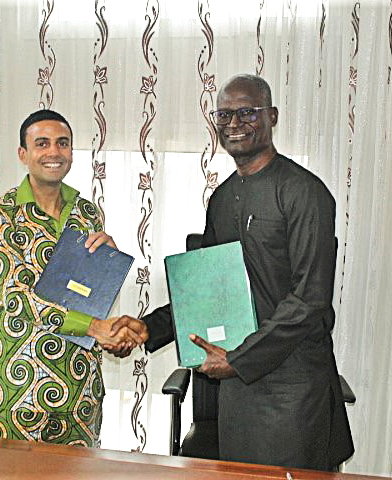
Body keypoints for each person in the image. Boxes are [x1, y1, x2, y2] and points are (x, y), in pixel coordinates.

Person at [113, 74, 354, 470]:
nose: (234, 123)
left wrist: (240, 359)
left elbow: (309, 300)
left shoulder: (304, 193)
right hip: (237, 394)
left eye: (247, 112)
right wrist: (147, 328)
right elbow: (207, 291)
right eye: (224, 115)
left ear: (272, 116)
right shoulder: (223, 199)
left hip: (292, 391)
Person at [0, 109, 147, 446]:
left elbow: (87, 295)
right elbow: (16, 298)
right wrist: (95, 328)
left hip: (80, 389)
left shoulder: (87, 212)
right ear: (23, 154)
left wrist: (107, 263)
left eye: (63, 143)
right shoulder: (2, 214)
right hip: (19, 389)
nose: (54, 152)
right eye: (42, 143)